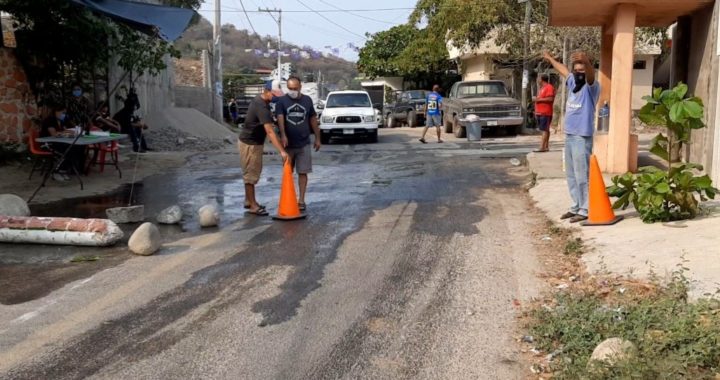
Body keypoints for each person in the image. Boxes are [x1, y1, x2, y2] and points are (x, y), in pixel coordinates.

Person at [543, 50, 600, 223]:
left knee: (583, 175)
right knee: (572, 175)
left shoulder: (592, 87)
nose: (579, 74)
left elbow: (590, 76)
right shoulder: (571, 82)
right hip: (569, 135)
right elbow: (564, 70)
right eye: (577, 71)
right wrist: (550, 59)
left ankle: (585, 209)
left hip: (582, 137)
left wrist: (586, 62)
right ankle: (576, 205)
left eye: (582, 71)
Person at [238, 81, 288, 216]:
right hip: (251, 144)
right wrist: (282, 152)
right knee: (251, 174)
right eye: (275, 94)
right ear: (267, 91)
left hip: (252, 142)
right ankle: (253, 206)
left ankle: (248, 201)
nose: (277, 97)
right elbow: (270, 132)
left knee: (250, 171)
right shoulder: (262, 106)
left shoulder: (261, 101)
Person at [275, 76, 321, 211]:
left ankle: (301, 200)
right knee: (287, 172)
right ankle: (288, 197)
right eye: (290, 88)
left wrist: (318, 138)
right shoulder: (282, 101)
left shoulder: (307, 100)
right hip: (288, 145)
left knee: (303, 172)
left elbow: (313, 119)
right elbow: (280, 118)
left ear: (300, 87)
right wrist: (283, 135)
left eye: (295, 88)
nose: (292, 91)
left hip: (304, 142)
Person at [40, 103, 86, 180]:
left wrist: (72, 131)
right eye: (63, 113)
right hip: (47, 144)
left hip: (59, 142)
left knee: (77, 148)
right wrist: (65, 132)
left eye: (65, 113)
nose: (64, 115)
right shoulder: (50, 120)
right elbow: (54, 133)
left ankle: (66, 170)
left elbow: (65, 130)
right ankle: (56, 172)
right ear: (56, 111)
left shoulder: (62, 121)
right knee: (66, 151)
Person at [533, 74, 556, 152]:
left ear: (541, 79)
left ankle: (542, 147)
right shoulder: (541, 88)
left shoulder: (549, 87)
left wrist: (538, 100)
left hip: (545, 112)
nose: (537, 80)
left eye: (538, 78)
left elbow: (550, 98)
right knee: (545, 129)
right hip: (540, 112)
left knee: (544, 130)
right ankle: (546, 146)